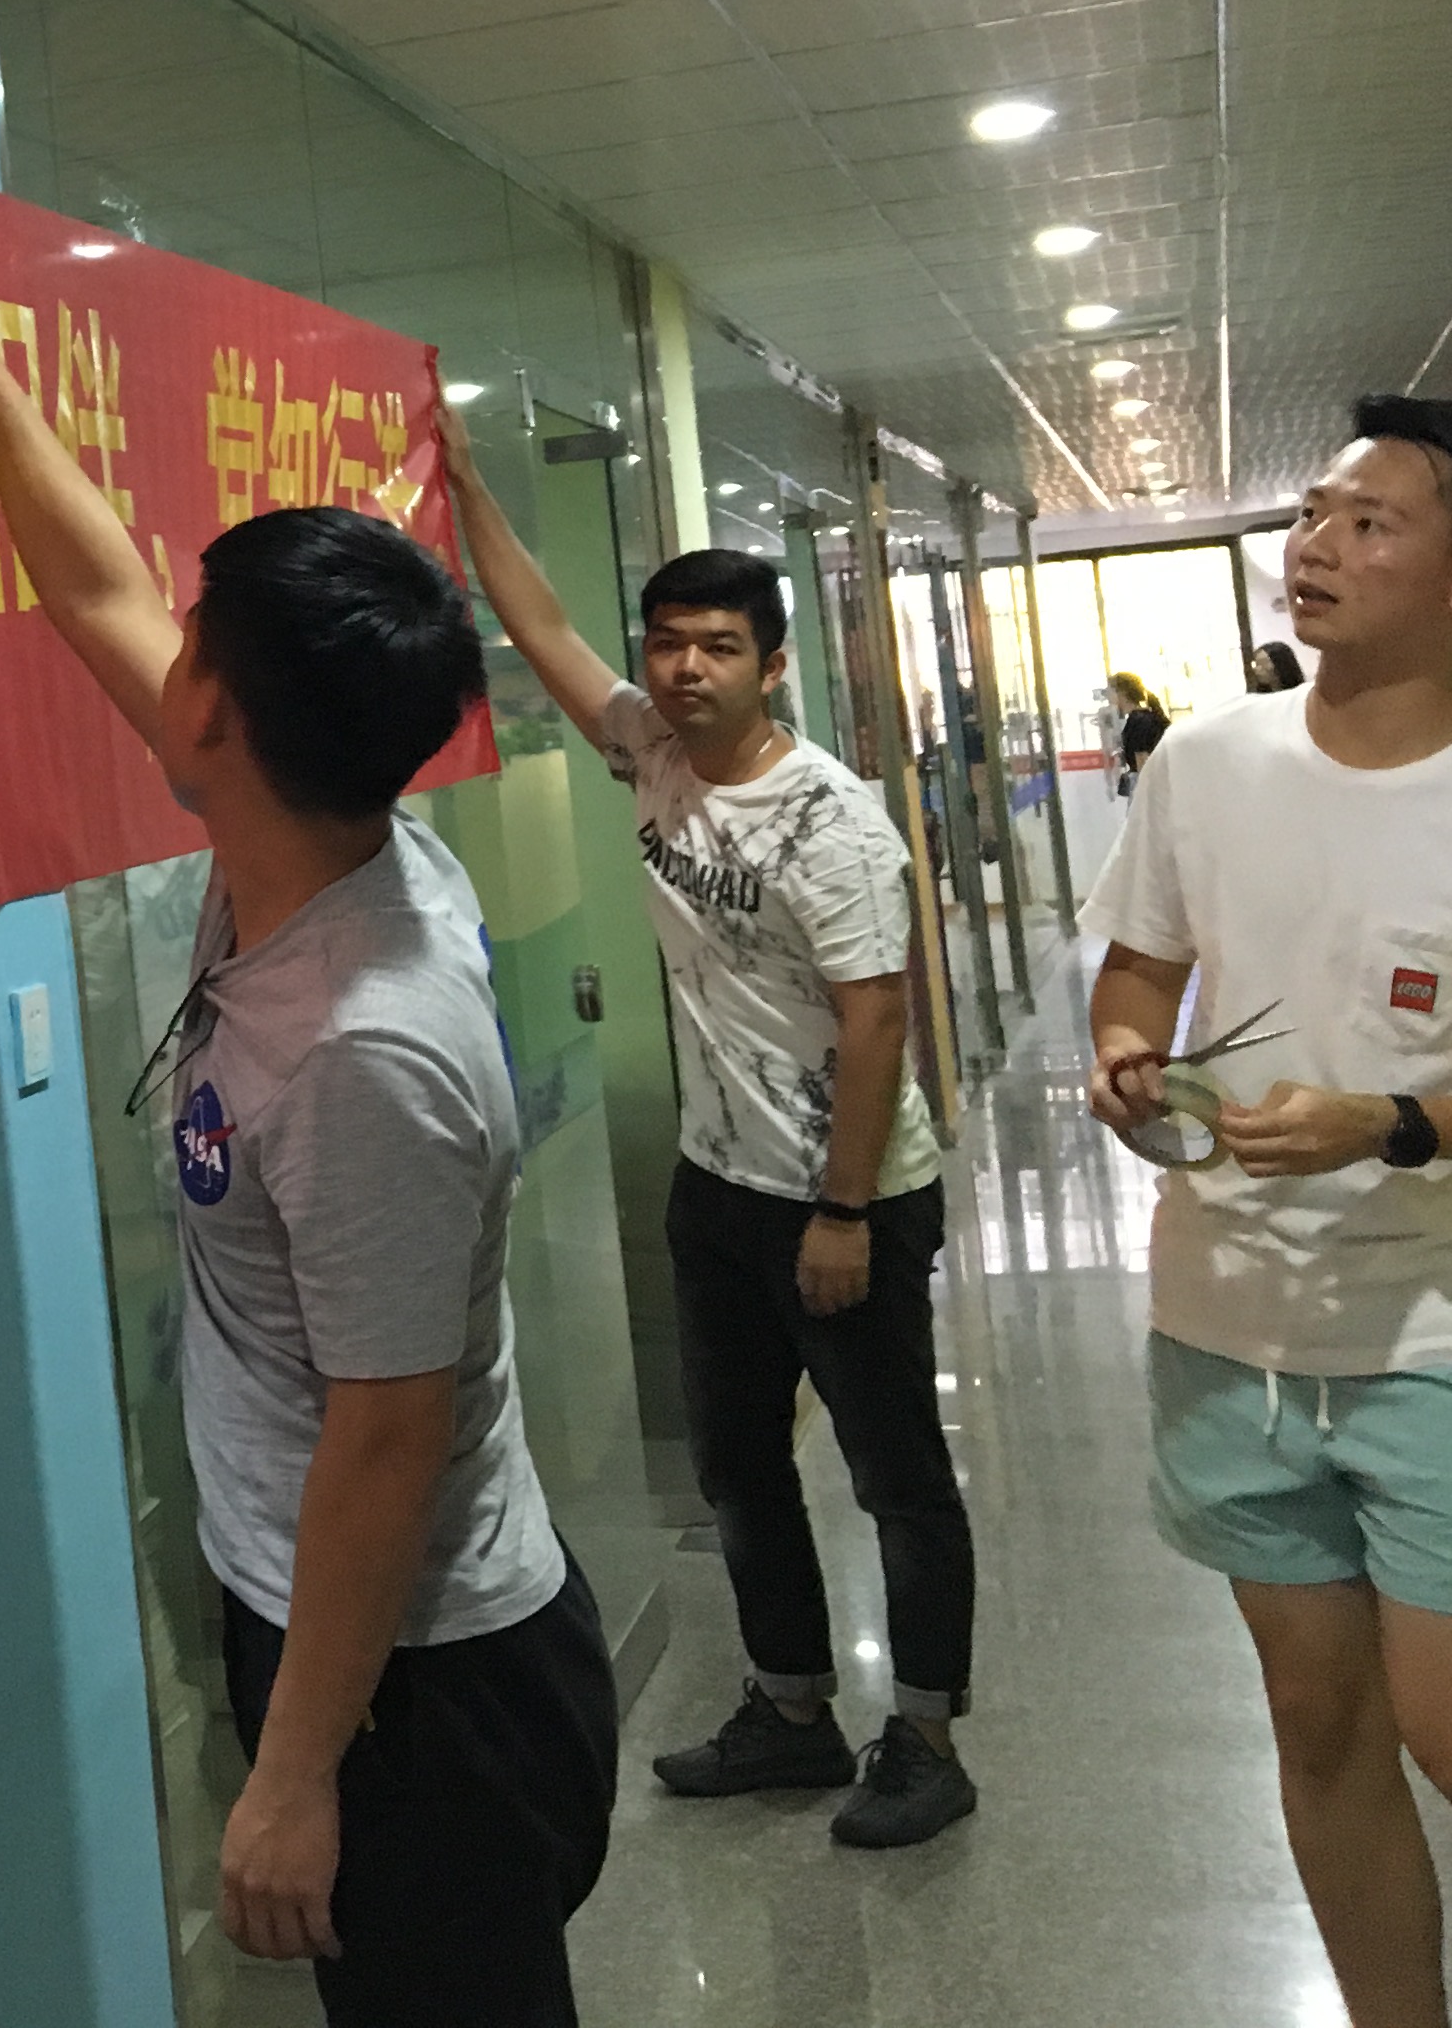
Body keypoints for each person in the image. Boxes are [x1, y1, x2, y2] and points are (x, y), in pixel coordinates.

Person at [0, 200, 613, 2025]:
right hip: (349, 1630)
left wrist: (293, 1773)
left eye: (196, 638)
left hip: (421, 1683)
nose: (168, 644)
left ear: (217, 716)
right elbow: (98, 592)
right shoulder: (330, 827)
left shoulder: (364, 1052)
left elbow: (387, 1433)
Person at [439, 410, 979, 1849]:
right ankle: (791, 1711)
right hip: (719, 1186)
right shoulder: (652, 752)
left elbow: (879, 1019)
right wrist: (467, 483)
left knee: (895, 1479)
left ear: (772, 664)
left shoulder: (831, 823)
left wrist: (844, 1212)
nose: (684, 669)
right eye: (669, 643)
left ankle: (926, 1737)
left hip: (849, 1194)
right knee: (739, 1466)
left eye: (718, 648)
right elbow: (544, 628)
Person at [1082, 393, 1452, 2028]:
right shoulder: (1208, 761)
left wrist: (1391, 1124)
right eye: (1312, 515)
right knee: (1319, 1723)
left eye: (1369, 522)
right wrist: (1127, 1060)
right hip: (1229, 1327)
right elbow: (1139, 968)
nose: (1318, 546)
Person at [1112, 672, 1170, 794]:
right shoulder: (1150, 717)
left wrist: (1145, 794)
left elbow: (1142, 759)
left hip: (1147, 784)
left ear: (1122, 694)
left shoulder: (1137, 721)